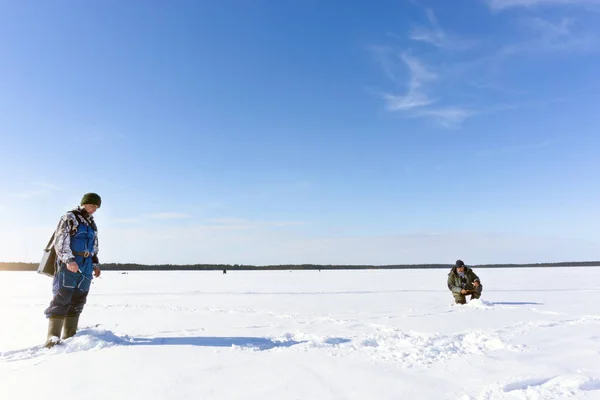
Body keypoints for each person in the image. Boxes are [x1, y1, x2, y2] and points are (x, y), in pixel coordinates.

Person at [43, 193, 102, 347]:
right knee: (62, 297)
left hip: (86, 265)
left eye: (96, 207)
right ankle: (53, 338)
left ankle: (70, 336)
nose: (94, 209)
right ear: (84, 203)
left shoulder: (91, 223)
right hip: (69, 263)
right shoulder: (69, 218)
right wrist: (69, 260)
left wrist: (95, 264)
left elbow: (94, 245)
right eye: (91, 205)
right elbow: (60, 240)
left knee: (79, 299)